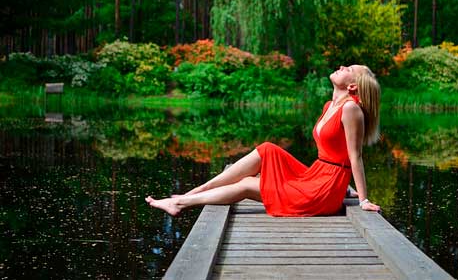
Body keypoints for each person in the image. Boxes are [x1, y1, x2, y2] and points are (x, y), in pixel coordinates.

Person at [146, 64, 381, 216]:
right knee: (267, 149)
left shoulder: (352, 110)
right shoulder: (330, 105)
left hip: (323, 190)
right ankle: (199, 189)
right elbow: (334, 153)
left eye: (349, 68)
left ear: (352, 85)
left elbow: (355, 156)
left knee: (248, 184)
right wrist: (344, 189)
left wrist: (363, 199)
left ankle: (180, 204)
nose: (342, 66)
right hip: (316, 175)